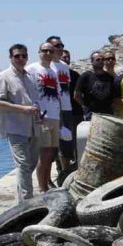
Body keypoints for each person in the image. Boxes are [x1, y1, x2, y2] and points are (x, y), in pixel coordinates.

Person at [0, 44, 41, 202]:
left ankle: (20, 198)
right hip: (15, 127)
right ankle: (26, 202)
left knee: (31, 163)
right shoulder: (3, 77)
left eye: (24, 56)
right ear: (11, 58)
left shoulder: (29, 77)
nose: (21, 59)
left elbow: (34, 100)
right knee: (23, 165)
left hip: (33, 126)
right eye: (17, 56)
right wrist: (22, 109)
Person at [26, 42, 62, 192]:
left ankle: (47, 184)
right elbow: (27, 92)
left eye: (51, 51)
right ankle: (42, 188)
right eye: (45, 51)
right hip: (43, 117)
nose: (48, 53)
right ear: (39, 52)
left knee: (51, 153)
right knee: (44, 153)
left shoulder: (53, 70)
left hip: (55, 116)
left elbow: (58, 95)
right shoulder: (32, 69)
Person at [46, 36, 75, 177]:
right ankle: (48, 178)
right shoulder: (45, 66)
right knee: (50, 146)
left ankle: (65, 174)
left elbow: (66, 89)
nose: (60, 48)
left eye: (61, 45)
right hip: (52, 110)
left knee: (67, 144)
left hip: (66, 109)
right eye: (57, 45)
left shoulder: (64, 67)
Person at [74, 52, 120, 118]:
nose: (101, 61)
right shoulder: (86, 76)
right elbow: (77, 95)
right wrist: (85, 106)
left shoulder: (110, 78)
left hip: (108, 115)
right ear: (92, 62)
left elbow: (115, 97)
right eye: (98, 60)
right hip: (91, 115)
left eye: (102, 59)